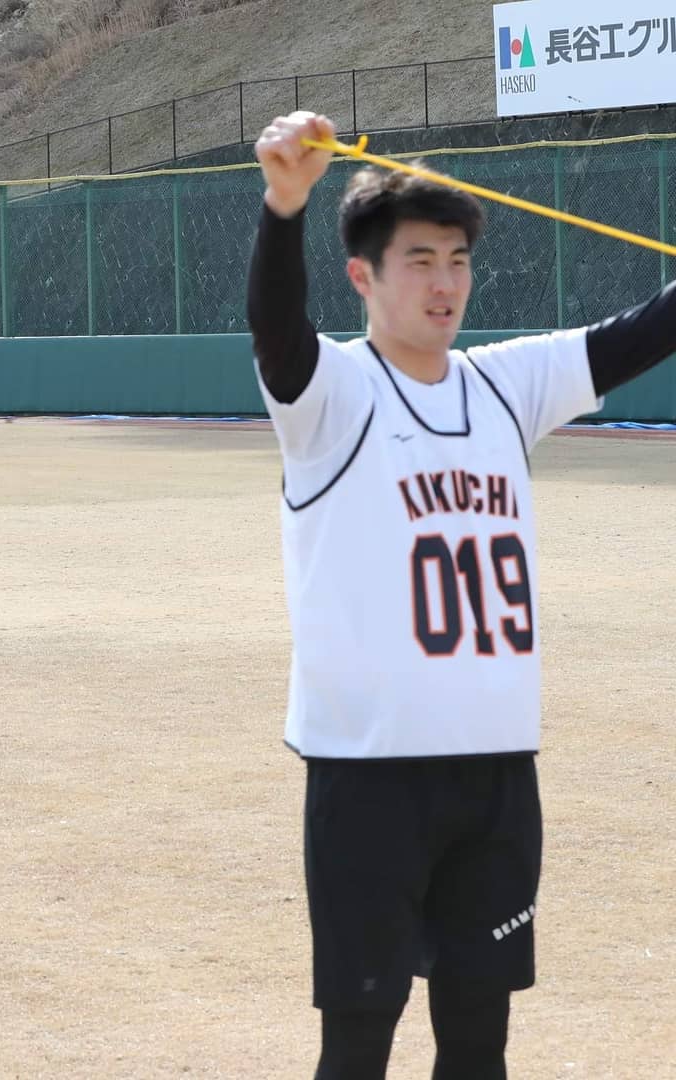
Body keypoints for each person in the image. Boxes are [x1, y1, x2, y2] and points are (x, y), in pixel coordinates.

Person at [247, 112, 676, 1080]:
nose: (445, 283)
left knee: (480, 1040)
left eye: (458, 261)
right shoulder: (332, 398)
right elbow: (277, 330)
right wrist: (283, 208)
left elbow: (646, 331)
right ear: (363, 277)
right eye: (419, 261)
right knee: (358, 1040)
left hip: (496, 771)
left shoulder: (505, 384)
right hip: (370, 772)